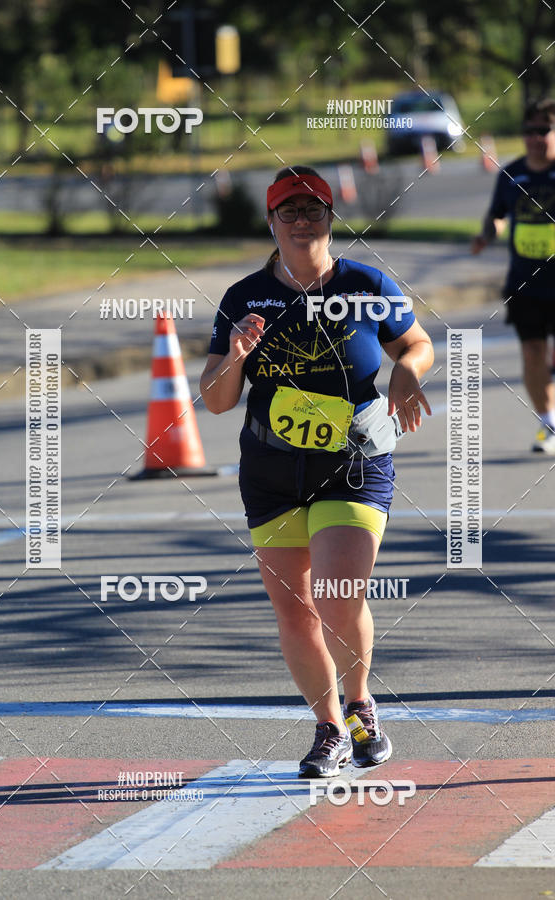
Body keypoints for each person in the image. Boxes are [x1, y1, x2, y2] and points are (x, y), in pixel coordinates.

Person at [200, 166, 434, 778]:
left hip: (354, 461)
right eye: (289, 211)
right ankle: (328, 727)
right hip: (272, 469)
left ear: (331, 218)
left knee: (336, 595)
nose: (302, 220)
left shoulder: (366, 283)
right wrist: (236, 357)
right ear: (271, 221)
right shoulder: (243, 298)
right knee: (294, 611)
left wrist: (408, 371)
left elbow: (417, 343)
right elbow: (218, 400)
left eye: (314, 210)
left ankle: (360, 705)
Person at [472, 98, 555, 454]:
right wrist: (487, 234)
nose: (536, 138)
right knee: (533, 352)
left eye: (544, 130)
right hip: (526, 284)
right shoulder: (511, 175)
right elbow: (497, 216)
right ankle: (549, 423)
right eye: (529, 131)